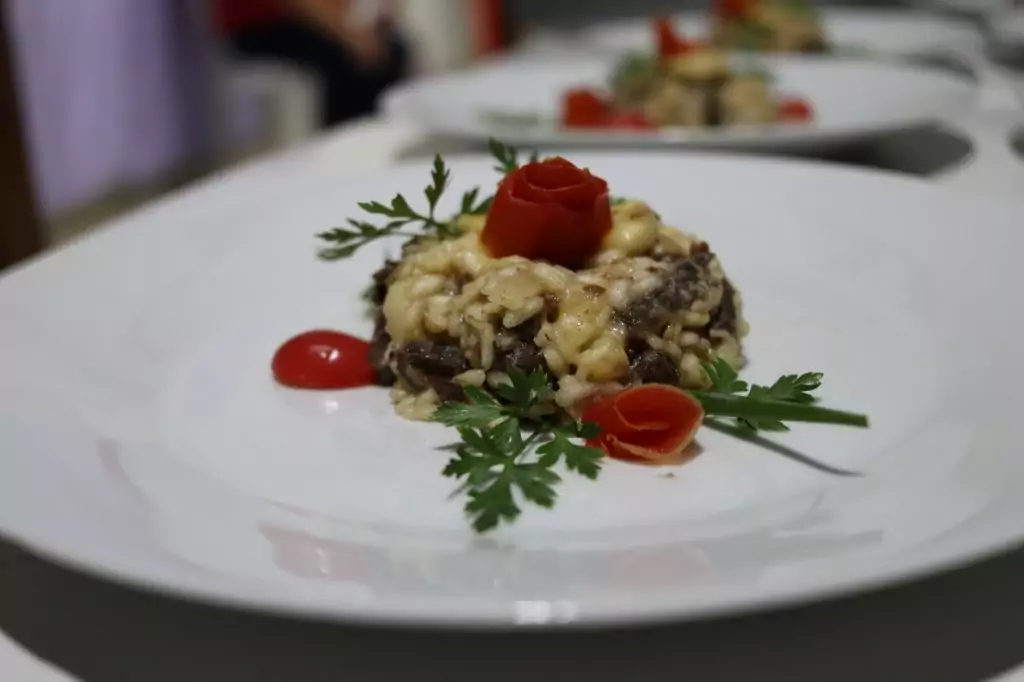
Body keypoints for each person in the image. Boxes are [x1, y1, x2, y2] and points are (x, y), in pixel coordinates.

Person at [212, 0, 410, 127]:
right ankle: (340, 151)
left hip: (305, 21)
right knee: (341, 61)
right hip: (258, 26)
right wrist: (350, 35)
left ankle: (380, 136)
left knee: (393, 49)